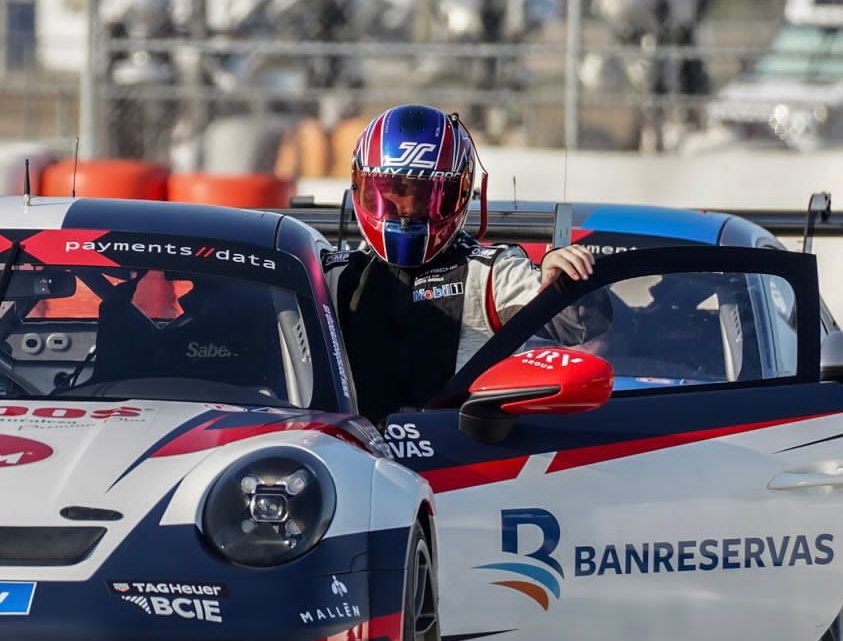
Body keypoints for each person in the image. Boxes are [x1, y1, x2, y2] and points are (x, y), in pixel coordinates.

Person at [322, 104, 595, 423]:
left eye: (426, 195)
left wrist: (563, 284)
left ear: (462, 193)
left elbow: (579, 325)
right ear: (361, 187)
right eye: (394, 191)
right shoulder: (333, 274)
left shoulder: (490, 273)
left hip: (459, 448)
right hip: (352, 447)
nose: (407, 209)